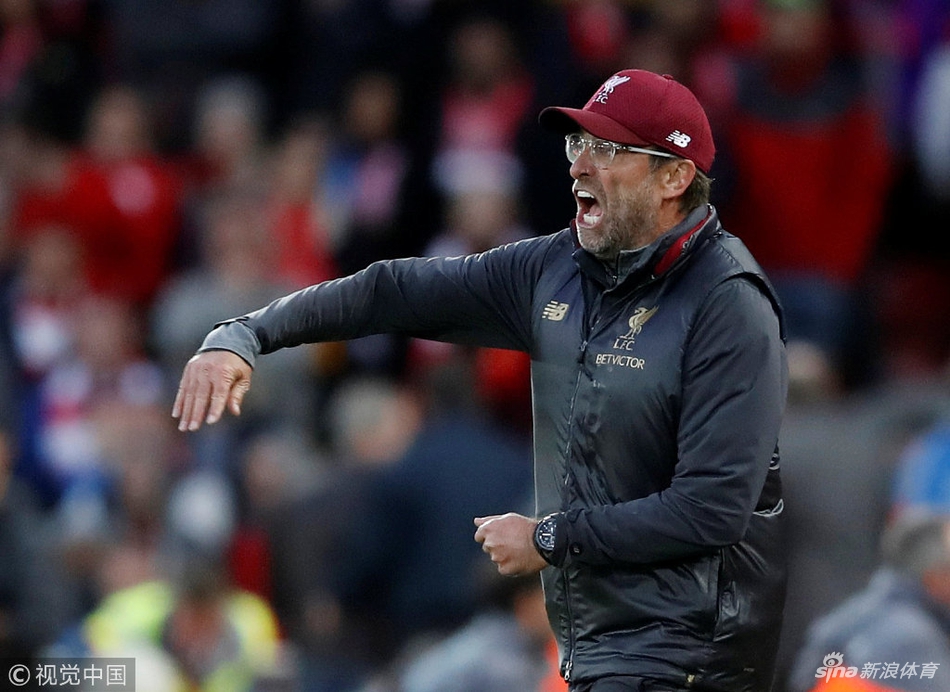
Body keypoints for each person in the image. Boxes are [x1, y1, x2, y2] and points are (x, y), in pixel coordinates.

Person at [173, 69, 788, 692]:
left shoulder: (728, 303)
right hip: (600, 647)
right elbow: (393, 291)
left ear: (674, 178)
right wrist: (246, 333)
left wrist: (549, 537)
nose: (580, 167)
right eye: (578, 145)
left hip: (695, 658)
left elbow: (710, 510)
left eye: (608, 150)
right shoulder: (557, 269)